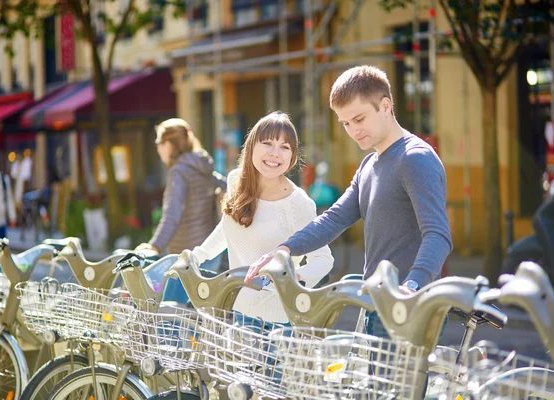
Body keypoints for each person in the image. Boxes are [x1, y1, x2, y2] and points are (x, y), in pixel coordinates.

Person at [246, 66, 452, 337]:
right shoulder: (370, 164)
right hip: (377, 304)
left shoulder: (414, 159)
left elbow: (438, 235)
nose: (353, 131)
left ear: (386, 106)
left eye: (359, 119)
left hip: (408, 307)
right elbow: (333, 219)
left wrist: (412, 286)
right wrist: (284, 249)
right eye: (345, 124)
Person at [168, 111, 334, 323]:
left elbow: (323, 259)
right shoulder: (236, 180)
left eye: (285, 147)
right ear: (251, 146)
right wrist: (196, 256)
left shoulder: (297, 203)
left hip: (277, 322)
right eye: (267, 143)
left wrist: (292, 280)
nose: (275, 153)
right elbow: (228, 226)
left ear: (292, 156)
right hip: (237, 311)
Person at [136, 118, 226, 303]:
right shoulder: (204, 167)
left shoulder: (178, 172)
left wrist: (154, 246)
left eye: (159, 143)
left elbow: (172, 215)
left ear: (169, 144)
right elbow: (228, 185)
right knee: (203, 312)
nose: (158, 148)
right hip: (210, 251)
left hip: (188, 257)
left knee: (172, 313)